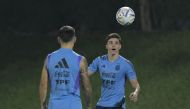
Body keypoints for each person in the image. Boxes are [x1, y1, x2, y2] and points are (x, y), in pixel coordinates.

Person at [39, 25, 92, 109]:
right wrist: (88, 105)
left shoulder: (49, 58)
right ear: (74, 39)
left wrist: (43, 105)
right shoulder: (81, 60)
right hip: (74, 105)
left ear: (58, 39)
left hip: (54, 105)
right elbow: (86, 86)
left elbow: (43, 84)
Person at [88, 33, 140, 109]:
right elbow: (85, 74)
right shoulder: (99, 61)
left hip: (117, 104)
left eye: (116, 43)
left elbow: (136, 85)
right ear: (106, 46)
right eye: (110, 42)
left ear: (119, 46)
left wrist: (136, 93)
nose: (113, 45)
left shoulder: (126, 64)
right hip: (101, 105)